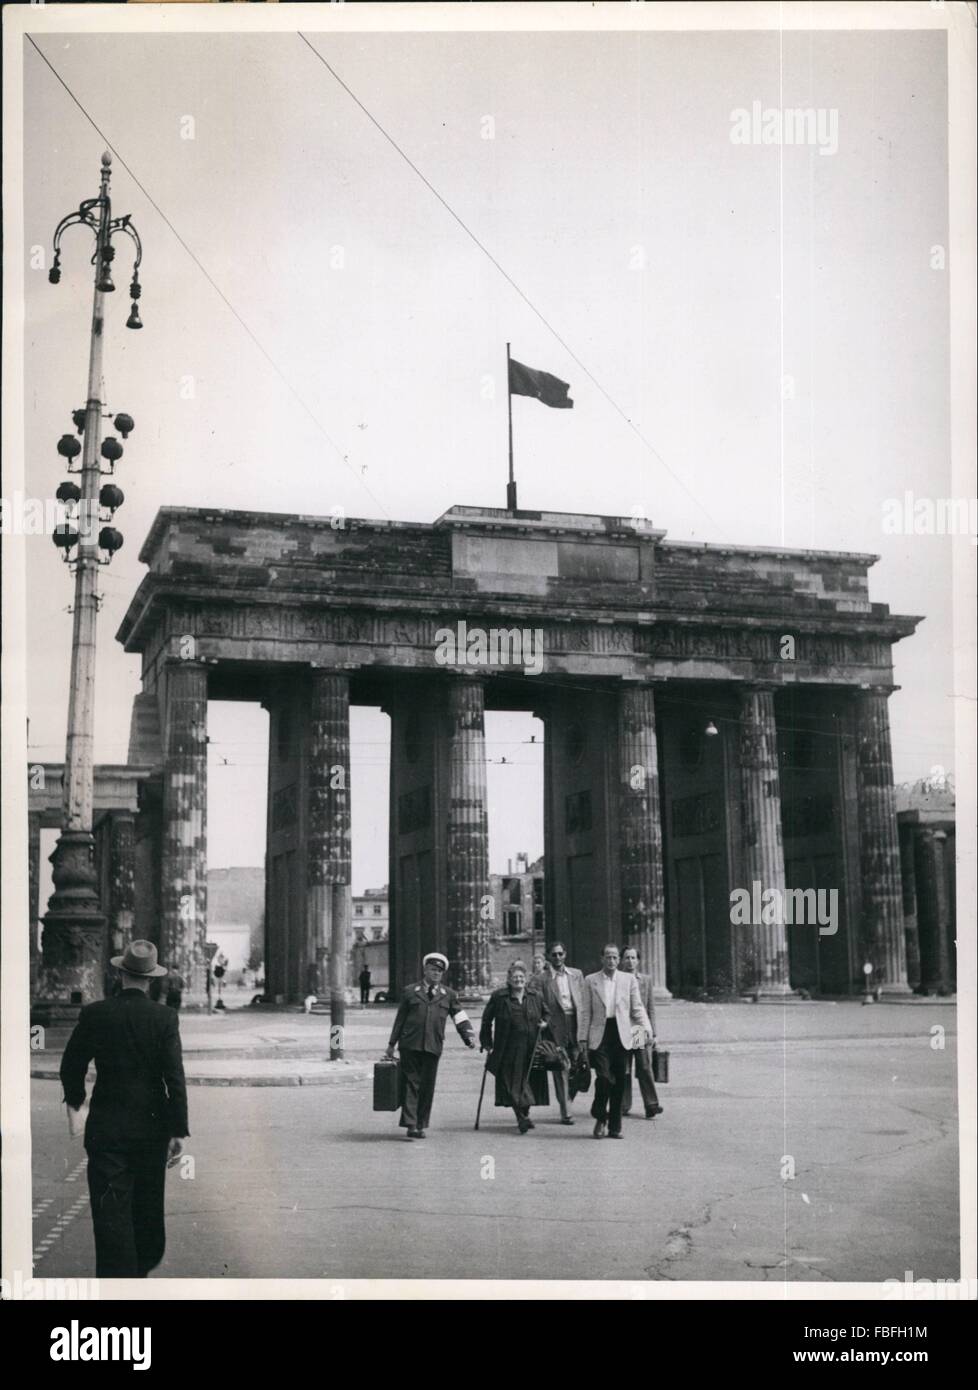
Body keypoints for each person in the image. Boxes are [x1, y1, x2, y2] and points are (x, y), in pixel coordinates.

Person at [59, 940, 189, 1278]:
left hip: (106, 1128)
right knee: (146, 1206)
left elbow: (71, 1065)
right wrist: (177, 1130)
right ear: (151, 979)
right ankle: (141, 1271)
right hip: (151, 1129)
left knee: (109, 1213)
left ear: (120, 974)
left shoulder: (96, 1014)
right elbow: (174, 1078)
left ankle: (116, 1283)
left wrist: (76, 1103)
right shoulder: (164, 1018)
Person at [384, 952, 476, 1139]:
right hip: (410, 1044)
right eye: (433, 969)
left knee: (427, 1086)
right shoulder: (410, 991)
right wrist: (391, 1044)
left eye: (439, 971)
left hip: (433, 1045)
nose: (436, 974)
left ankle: (420, 1123)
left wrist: (468, 1037)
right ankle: (411, 1124)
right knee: (412, 1082)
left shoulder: (448, 995)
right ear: (425, 969)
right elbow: (400, 1019)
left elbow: (459, 1016)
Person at [579, 943, 652, 1140]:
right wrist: (582, 1038)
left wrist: (647, 1031)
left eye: (614, 957)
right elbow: (586, 1012)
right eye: (608, 957)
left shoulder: (628, 980)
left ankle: (615, 1126)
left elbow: (637, 1008)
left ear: (618, 960)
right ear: (601, 958)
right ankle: (600, 1115)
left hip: (622, 1035)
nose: (611, 961)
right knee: (603, 1078)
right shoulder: (590, 980)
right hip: (600, 1035)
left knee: (619, 1081)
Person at [479, 961, 550, 1133]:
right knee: (512, 1082)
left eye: (521, 977)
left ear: (525, 980)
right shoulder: (499, 997)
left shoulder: (535, 995)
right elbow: (486, 1020)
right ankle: (521, 1117)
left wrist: (544, 1023)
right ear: (509, 980)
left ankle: (524, 1114)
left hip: (532, 1046)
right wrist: (487, 1043)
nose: (518, 980)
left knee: (528, 1080)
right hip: (508, 1047)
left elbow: (546, 1013)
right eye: (514, 977)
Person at [535, 941, 583, 1124]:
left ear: (565, 955)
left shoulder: (576, 975)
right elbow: (538, 1004)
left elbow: (583, 1001)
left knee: (578, 1067)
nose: (557, 958)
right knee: (560, 1068)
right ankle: (566, 1111)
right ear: (548, 956)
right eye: (554, 954)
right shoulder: (541, 979)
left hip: (575, 1024)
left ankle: (568, 1099)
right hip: (555, 1027)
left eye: (560, 954)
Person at [620, 946, 663, 1119]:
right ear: (622, 960)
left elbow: (650, 1008)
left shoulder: (645, 980)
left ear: (638, 961)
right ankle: (624, 1104)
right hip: (623, 1028)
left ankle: (651, 1104)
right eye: (627, 958)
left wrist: (653, 1033)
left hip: (638, 1029)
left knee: (644, 1066)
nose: (630, 961)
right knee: (624, 1068)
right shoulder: (618, 979)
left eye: (633, 958)